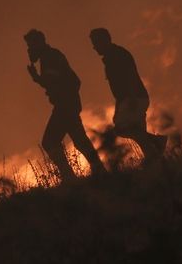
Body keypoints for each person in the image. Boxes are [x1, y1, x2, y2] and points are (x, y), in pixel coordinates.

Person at [24, 29, 106, 181]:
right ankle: (99, 170)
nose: (29, 50)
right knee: (79, 140)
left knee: (49, 142)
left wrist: (37, 78)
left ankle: (69, 177)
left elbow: (54, 81)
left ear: (39, 43)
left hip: (65, 106)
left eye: (31, 45)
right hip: (67, 104)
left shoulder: (49, 57)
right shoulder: (50, 56)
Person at [89, 28, 167, 163]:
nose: (94, 47)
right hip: (133, 98)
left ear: (104, 41)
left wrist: (130, 100)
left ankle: (157, 142)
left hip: (133, 99)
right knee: (139, 134)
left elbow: (129, 78)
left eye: (96, 43)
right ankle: (155, 161)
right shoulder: (113, 56)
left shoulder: (117, 56)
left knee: (122, 129)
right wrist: (119, 107)